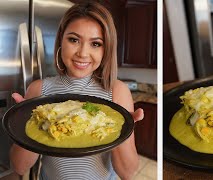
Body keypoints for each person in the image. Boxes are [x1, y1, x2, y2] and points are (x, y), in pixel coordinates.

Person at [10, 2, 144, 180]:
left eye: (95, 44)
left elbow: (127, 173)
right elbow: (19, 166)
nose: (83, 53)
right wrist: (29, 121)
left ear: (106, 49)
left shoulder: (117, 91)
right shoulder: (39, 89)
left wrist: (121, 130)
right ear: (61, 41)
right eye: (74, 40)